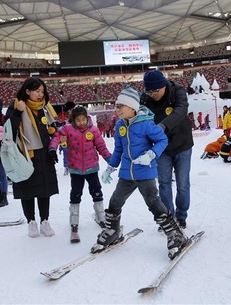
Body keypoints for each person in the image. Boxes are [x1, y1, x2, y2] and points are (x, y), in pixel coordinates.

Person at [93, 87, 188, 260]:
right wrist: (110, 167)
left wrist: (151, 155)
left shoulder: (146, 123)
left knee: (154, 204)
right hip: (126, 174)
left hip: (144, 172)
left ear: (133, 107)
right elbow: (118, 150)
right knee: (115, 201)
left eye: (122, 105)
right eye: (117, 106)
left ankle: (175, 234)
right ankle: (113, 230)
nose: (118, 109)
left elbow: (162, 140)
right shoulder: (120, 125)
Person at [5, 77, 59, 237]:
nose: (40, 94)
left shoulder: (45, 108)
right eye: (37, 91)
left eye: (42, 91)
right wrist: (17, 112)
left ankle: (44, 221)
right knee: (27, 191)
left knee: (44, 190)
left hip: (44, 154)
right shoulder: (17, 105)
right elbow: (8, 130)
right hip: (25, 154)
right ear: (27, 91)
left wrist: (55, 143)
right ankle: (31, 222)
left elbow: (52, 128)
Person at [49, 106, 112, 243]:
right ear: (73, 120)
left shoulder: (93, 130)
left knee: (96, 191)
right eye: (78, 120)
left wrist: (110, 159)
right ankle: (74, 219)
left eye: (83, 119)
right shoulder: (68, 129)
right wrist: (53, 148)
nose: (82, 123)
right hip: (76, 169)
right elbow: (56, 136)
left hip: (92, 168)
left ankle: (100, 215)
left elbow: (101, 146)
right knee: (76, 193)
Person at [140, 70, 193, 229]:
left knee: (183, 184)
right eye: (149, 91)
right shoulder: (145, 99)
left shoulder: (177, 91)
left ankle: (181, 215)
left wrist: (163, 125)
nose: (152, 94)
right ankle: (168, 217)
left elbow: (181, 110)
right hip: (161, 148)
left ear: (163, 85)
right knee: (163, 183)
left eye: (155, 90)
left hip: (182, 144)